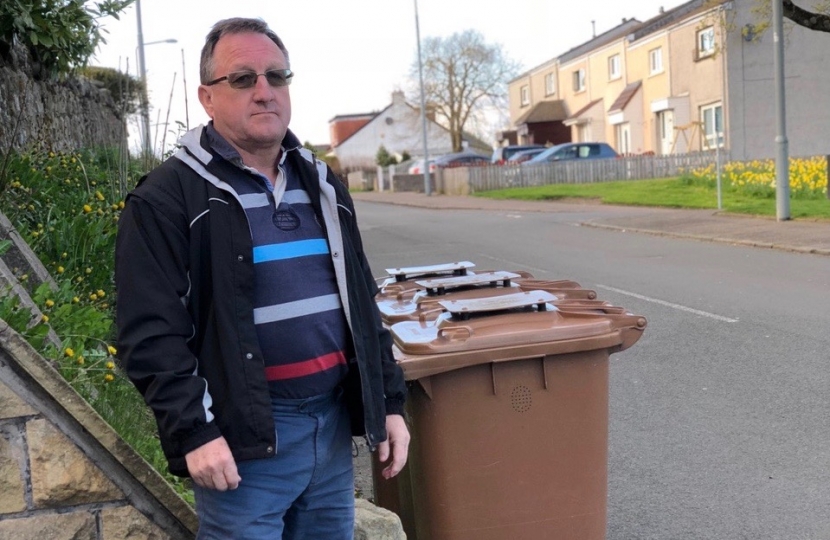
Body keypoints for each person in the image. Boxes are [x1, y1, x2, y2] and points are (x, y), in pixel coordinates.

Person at [115, 17, 409, 539]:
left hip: (331, 425)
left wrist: (387, 402)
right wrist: (193, 431)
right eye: (243, 78)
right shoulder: (166, 198)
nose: (264, 91)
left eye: (277, 76)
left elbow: (361, 299)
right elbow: (149, 333)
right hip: (246, 442)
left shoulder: (321, 185)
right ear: (207, 97)